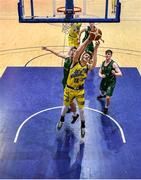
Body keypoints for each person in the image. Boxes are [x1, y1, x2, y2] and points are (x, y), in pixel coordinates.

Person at [56, 33, 100, 138]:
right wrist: (88, 40)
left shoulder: (88, 67)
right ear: (81, 56)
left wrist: (96, 48)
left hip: (80, 90)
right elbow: (78, 52)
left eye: (88, 56)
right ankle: (61, 120)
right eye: (85, 54)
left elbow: (94, 64)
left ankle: (83, 127)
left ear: (89, 59)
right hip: (69, 89)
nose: (86, 56)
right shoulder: (75, 62)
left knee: (81, 110)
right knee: (65, 106)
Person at [41, 46, 79, 119]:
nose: (73, 52)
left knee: (70, 101)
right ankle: (69, 108)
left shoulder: (76, 62)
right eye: (72, 51)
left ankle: (75, 115)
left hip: (72, 85)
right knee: (67, 99)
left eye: (75, 51)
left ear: (76, 54)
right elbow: (58, 53)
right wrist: (48, 49)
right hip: (65, 83)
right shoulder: (67, 58)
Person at [97, 49, 122, 114]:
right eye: (106, 54)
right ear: (105, 55)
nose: (107, 55)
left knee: (108, 97)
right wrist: (101, 75)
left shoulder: (113, 64)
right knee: (102, 91)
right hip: (104, 80)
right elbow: (99, 72)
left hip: (111, 82)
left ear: (111, 55)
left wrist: (115, 74)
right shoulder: (103, 63)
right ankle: (102, 95)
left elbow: (120, 74)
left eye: (109, 54)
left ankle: (106, 107)